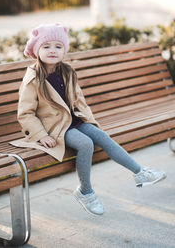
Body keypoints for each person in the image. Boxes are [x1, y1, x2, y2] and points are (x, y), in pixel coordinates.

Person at [17, 23, 167, 216]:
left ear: (64, 50)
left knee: (101, 136)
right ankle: (85, 192)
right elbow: (25, 113)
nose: (52, 51)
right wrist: (41, 135)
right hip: (54, 127)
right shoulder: (33, 78)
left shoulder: (67, 72)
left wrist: (90, 122)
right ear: (37, 50)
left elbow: (79, 100)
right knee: (86, 143)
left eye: (58, 46)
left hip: (74, 121)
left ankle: (140, 173)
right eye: (46, 47)